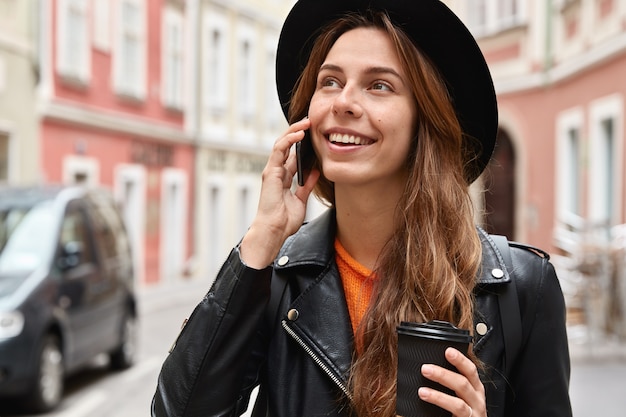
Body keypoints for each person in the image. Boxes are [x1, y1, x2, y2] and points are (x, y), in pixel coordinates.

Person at [152, 1, 572, 416]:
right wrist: (262, 237)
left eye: (379, 86)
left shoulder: (521, 289)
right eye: (330, 82)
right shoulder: (277, 280)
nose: (343, 102)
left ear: (423, 120)